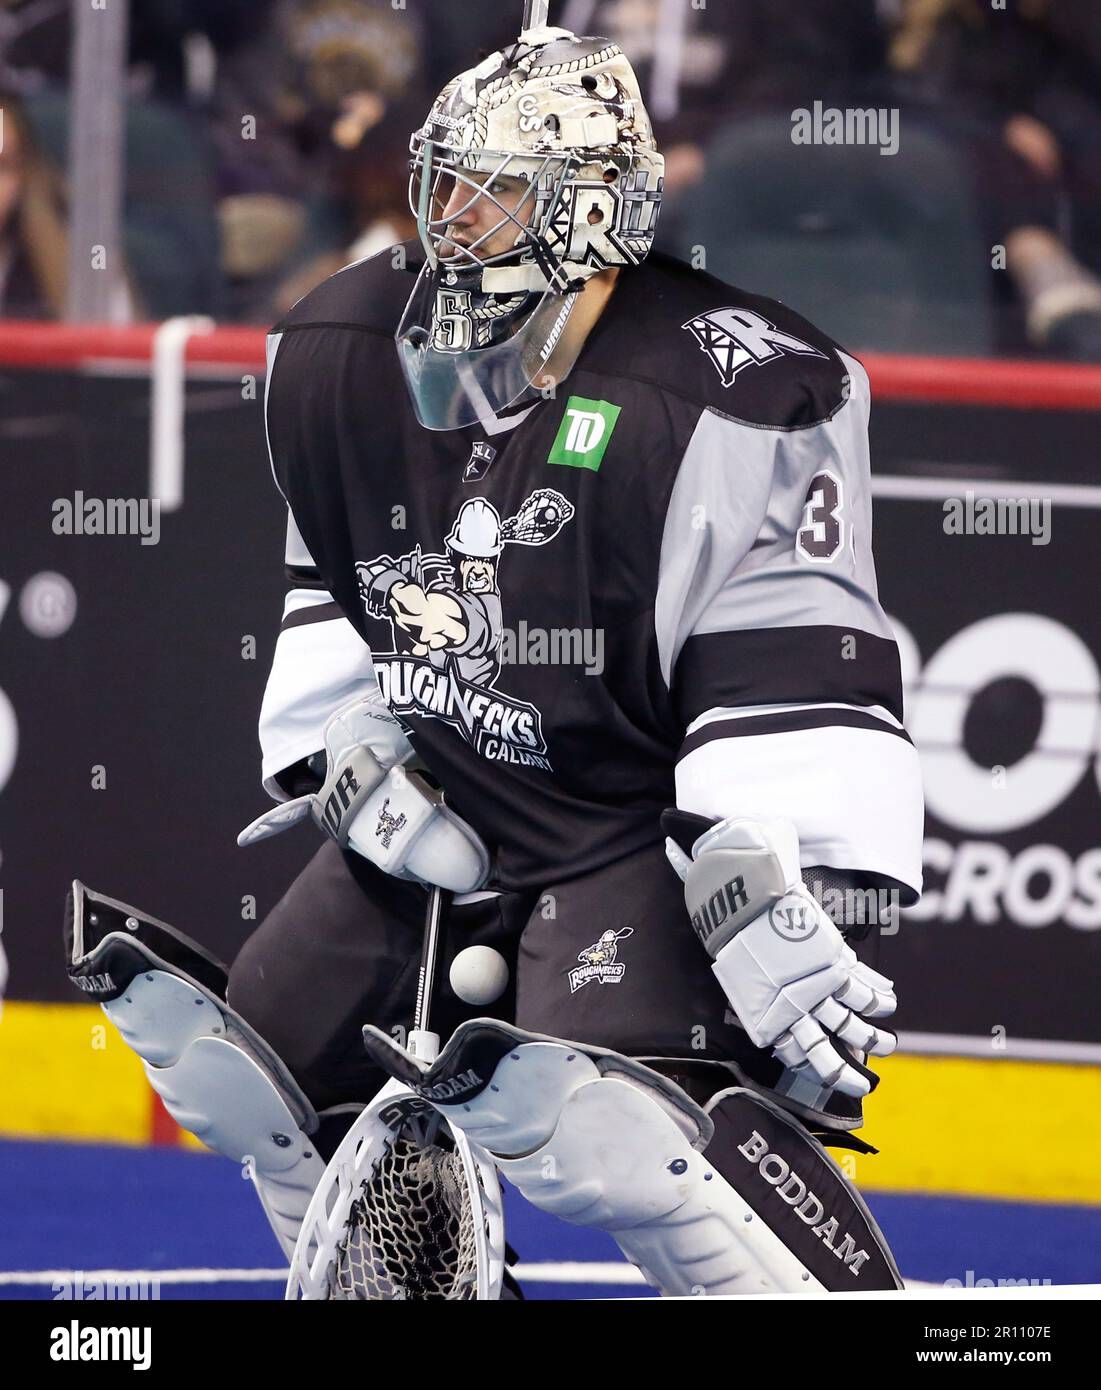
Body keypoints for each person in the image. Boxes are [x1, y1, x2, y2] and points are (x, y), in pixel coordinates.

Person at [72, 19, 923, 1298]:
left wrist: (763, 875)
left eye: (496, 191)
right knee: (259, 1067)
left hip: (622, 830)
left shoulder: (732, 392)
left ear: (594, 212)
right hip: (448, 794)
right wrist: (345, 747)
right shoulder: (340, 352)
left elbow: (791, 665)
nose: (452, 219)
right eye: (445, 182)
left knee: (609, 1136)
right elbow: (342, 582)